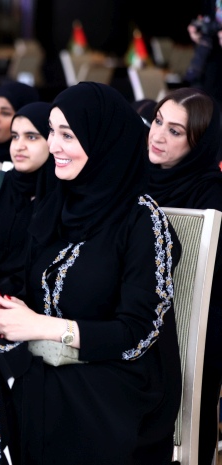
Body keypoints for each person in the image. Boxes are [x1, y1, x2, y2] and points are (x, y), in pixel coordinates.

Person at [0, 82, 182, 465]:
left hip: (113, 378)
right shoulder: (58, 205)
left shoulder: (143, 221)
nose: (54, 145)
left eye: (68, 135)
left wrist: (41, 326)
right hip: (50, 358)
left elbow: (139, 335)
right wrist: (11, 310)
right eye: (52, 132)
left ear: (103, 140)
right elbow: (40, 293)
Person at [146, 87, 222, 465]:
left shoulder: (211, 193)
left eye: (175, 131)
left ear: (199, 143)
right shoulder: (133, 176)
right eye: (158, 121)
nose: (158, 135)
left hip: (190, 327)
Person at [0, 101, 55, 304]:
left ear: (52, 141)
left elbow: (50, 265)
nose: (19, 146)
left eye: (31, 137)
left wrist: (0, 293)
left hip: (26, 303)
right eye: (15, 136)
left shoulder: (60, 196)